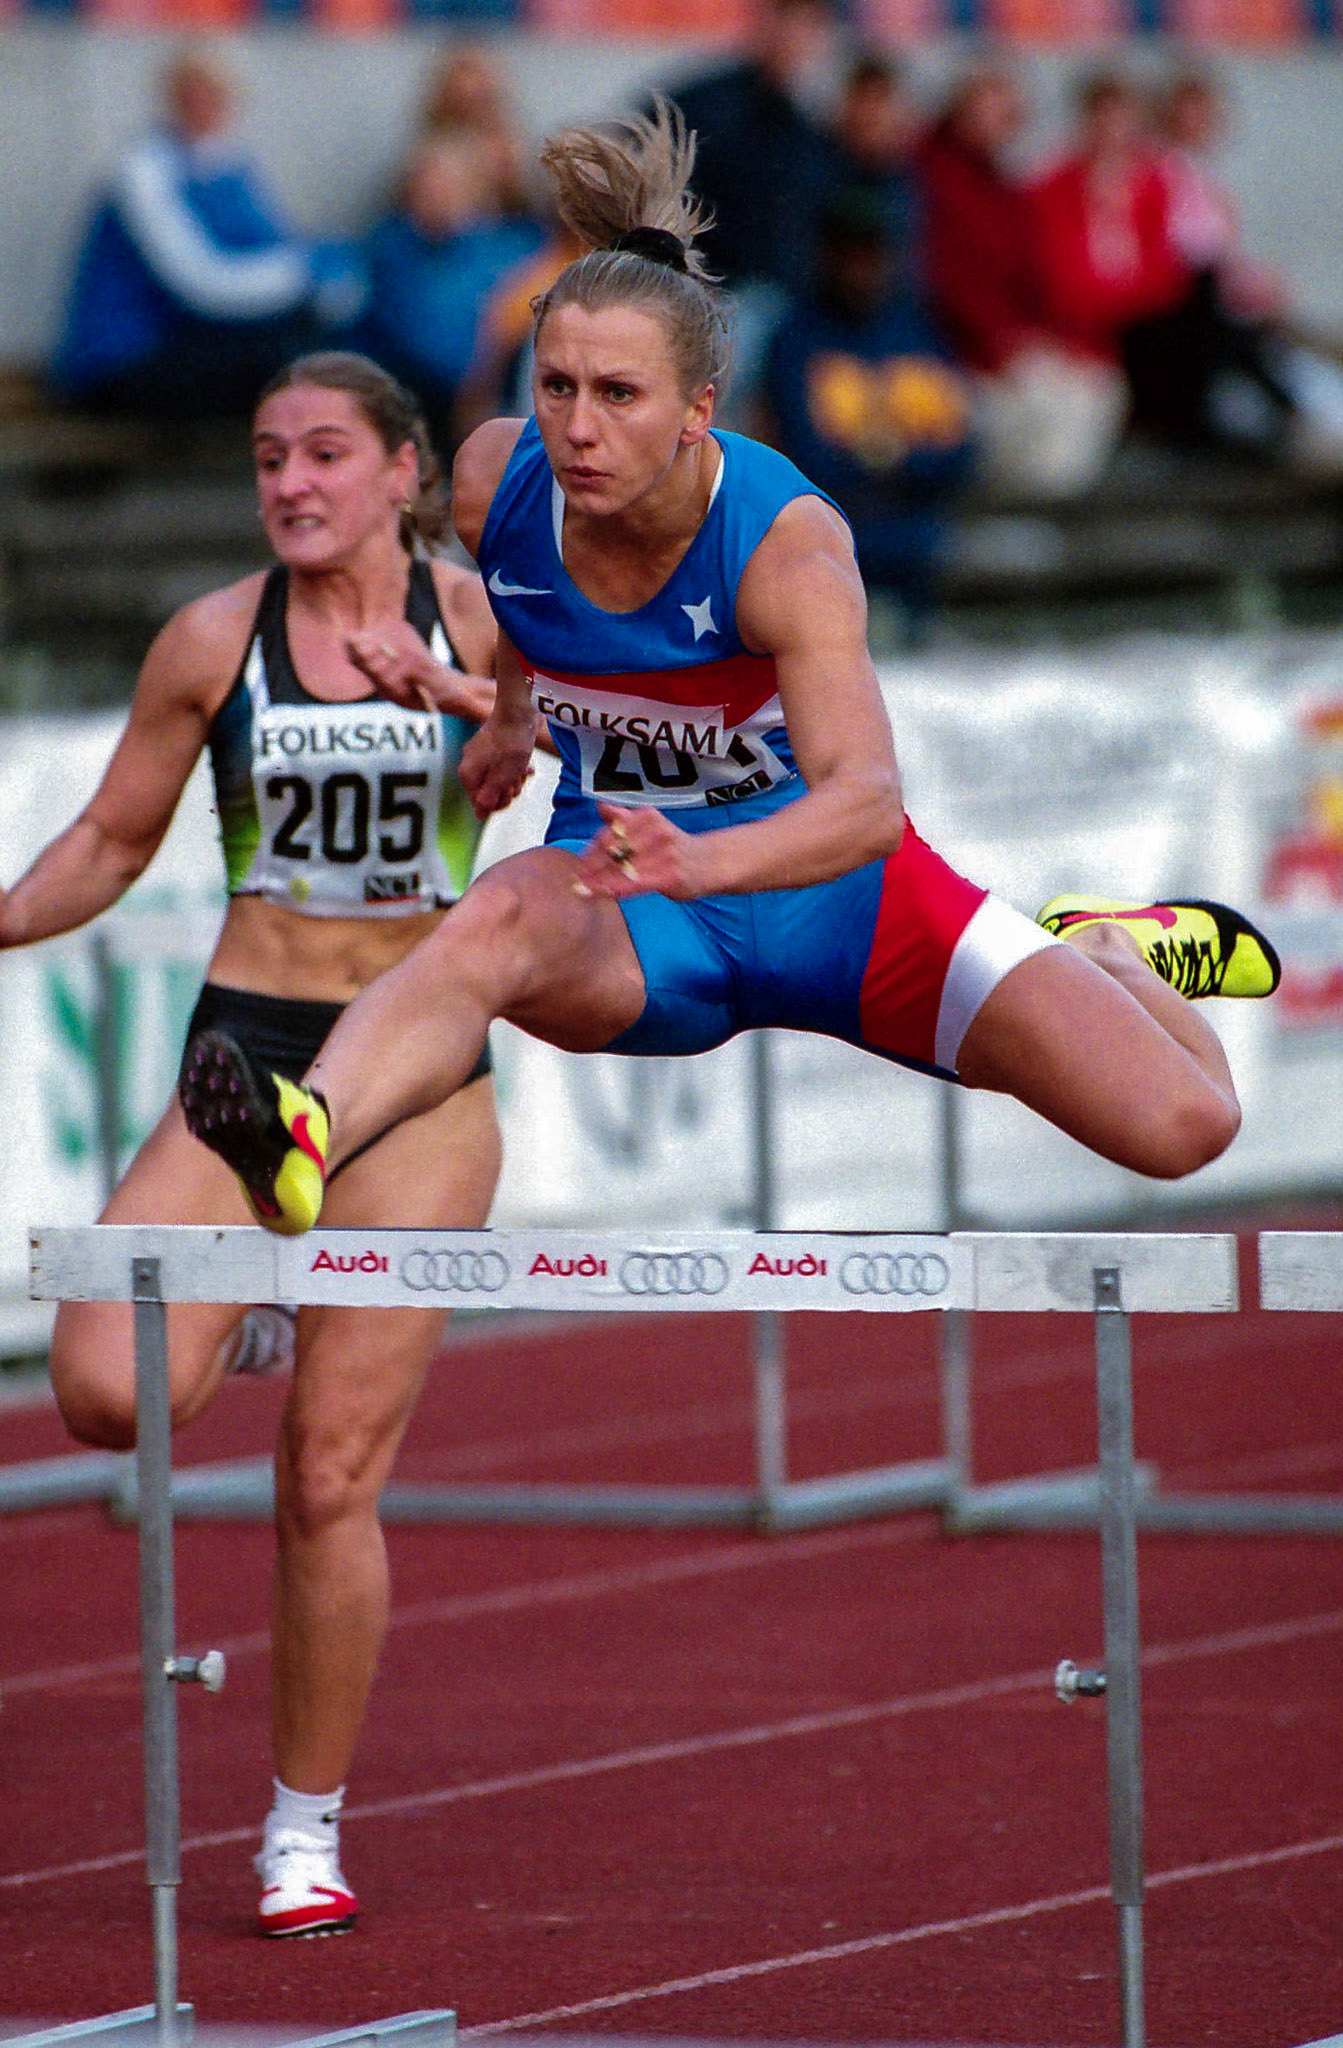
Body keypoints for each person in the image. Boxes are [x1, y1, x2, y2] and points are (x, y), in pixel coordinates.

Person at [176, 106, 1280, 1287]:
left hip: (845, 908)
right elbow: (523, 609)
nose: (577, 429)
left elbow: (862, 802)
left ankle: (1107, 943)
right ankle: (307, 1130)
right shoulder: (500, 479)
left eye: (617, 395)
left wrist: (704, 856)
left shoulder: (787, 552)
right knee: (490, 919)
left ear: (698, 409)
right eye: (555, 386)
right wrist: (502, 717)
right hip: (638, 917)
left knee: (1184, 1123)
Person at [0, 351, 504, 1937]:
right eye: (268, 458)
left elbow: (584, 762)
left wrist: (478, 705)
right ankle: (272, 1283)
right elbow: (107, 838)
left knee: (324, 1474)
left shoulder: (482, 621)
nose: (290, 483)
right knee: (101, 1390)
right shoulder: (214, 643)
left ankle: (302, 1827)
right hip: (248, 1060)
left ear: (405, 474)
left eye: (325, 455)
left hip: (410, 1083)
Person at [50, 48, 367, 419]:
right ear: (171, 97)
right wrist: (305, 273)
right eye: (192, 92)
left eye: (214, 92)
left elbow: (271, 246)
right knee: (289, 369)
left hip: (184, 343)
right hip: (120, 360)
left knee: (317, 358)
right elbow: (200, 282)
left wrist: (328, 280)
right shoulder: (144, 170)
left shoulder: (227, 167)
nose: (204, 104)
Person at [760, 187, 974, 644]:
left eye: (874, 252)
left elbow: (961, 450)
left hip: (914, 529)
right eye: (851, 252)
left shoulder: (916, 329)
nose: (864, 267)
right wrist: (894, 457)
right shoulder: (797, 335)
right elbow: (806, 456)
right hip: (829, 533)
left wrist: (889, 459)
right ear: (828, 254)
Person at [916, 63, 1126, 498]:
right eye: (987, 105)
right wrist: (1004, 340)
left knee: (1099, 388)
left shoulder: (1007, 191)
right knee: (1047, 402)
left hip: (1015, 346)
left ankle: (1039, 517)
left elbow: (1039, 285)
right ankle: (1020, 515)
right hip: (958, 350)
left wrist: (1060, 340)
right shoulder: (928, 177)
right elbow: (942, 280)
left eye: (1006, 110)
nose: (998, 119)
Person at [360, 123, 544, 462]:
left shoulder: (514, 248)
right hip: (411, 396)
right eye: (424, 188)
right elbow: (412, 333)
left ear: (474, 189)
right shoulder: (390, 247)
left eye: (446, 186)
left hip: (489, 401)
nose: (434, 198)